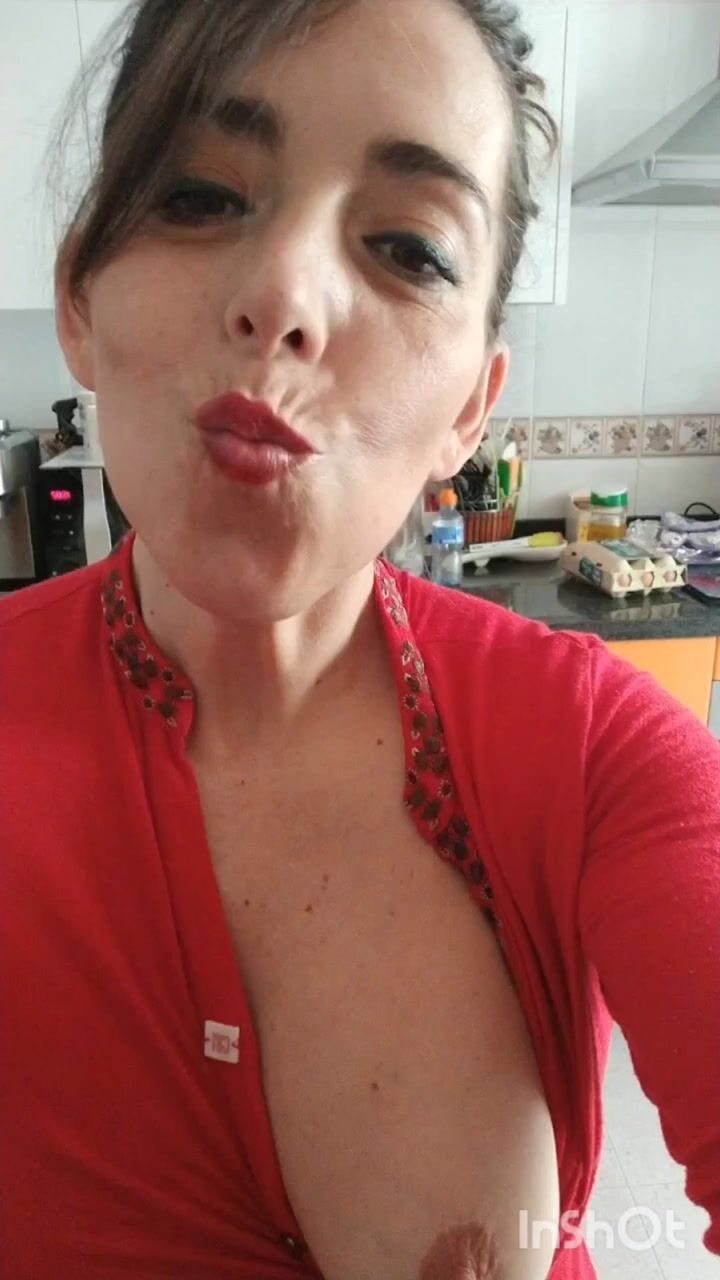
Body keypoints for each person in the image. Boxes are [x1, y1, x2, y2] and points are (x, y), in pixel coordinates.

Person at [1, 0, 718, 1276]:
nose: (283, 295)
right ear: (78, 299)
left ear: (471, 410)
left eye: (408, 247)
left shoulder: (599, 751)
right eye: (201, 195)